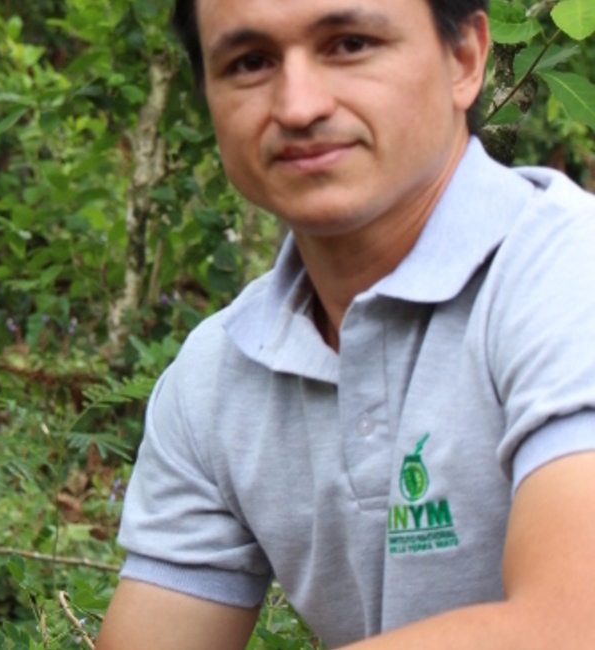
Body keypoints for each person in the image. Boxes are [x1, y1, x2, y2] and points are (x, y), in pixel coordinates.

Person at [96, 0, 595, 648]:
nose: (298, 106)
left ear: (465, 59)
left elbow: (569, 625)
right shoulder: (216, 380)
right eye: (249, 63)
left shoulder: (570, 276)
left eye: (350, 44)